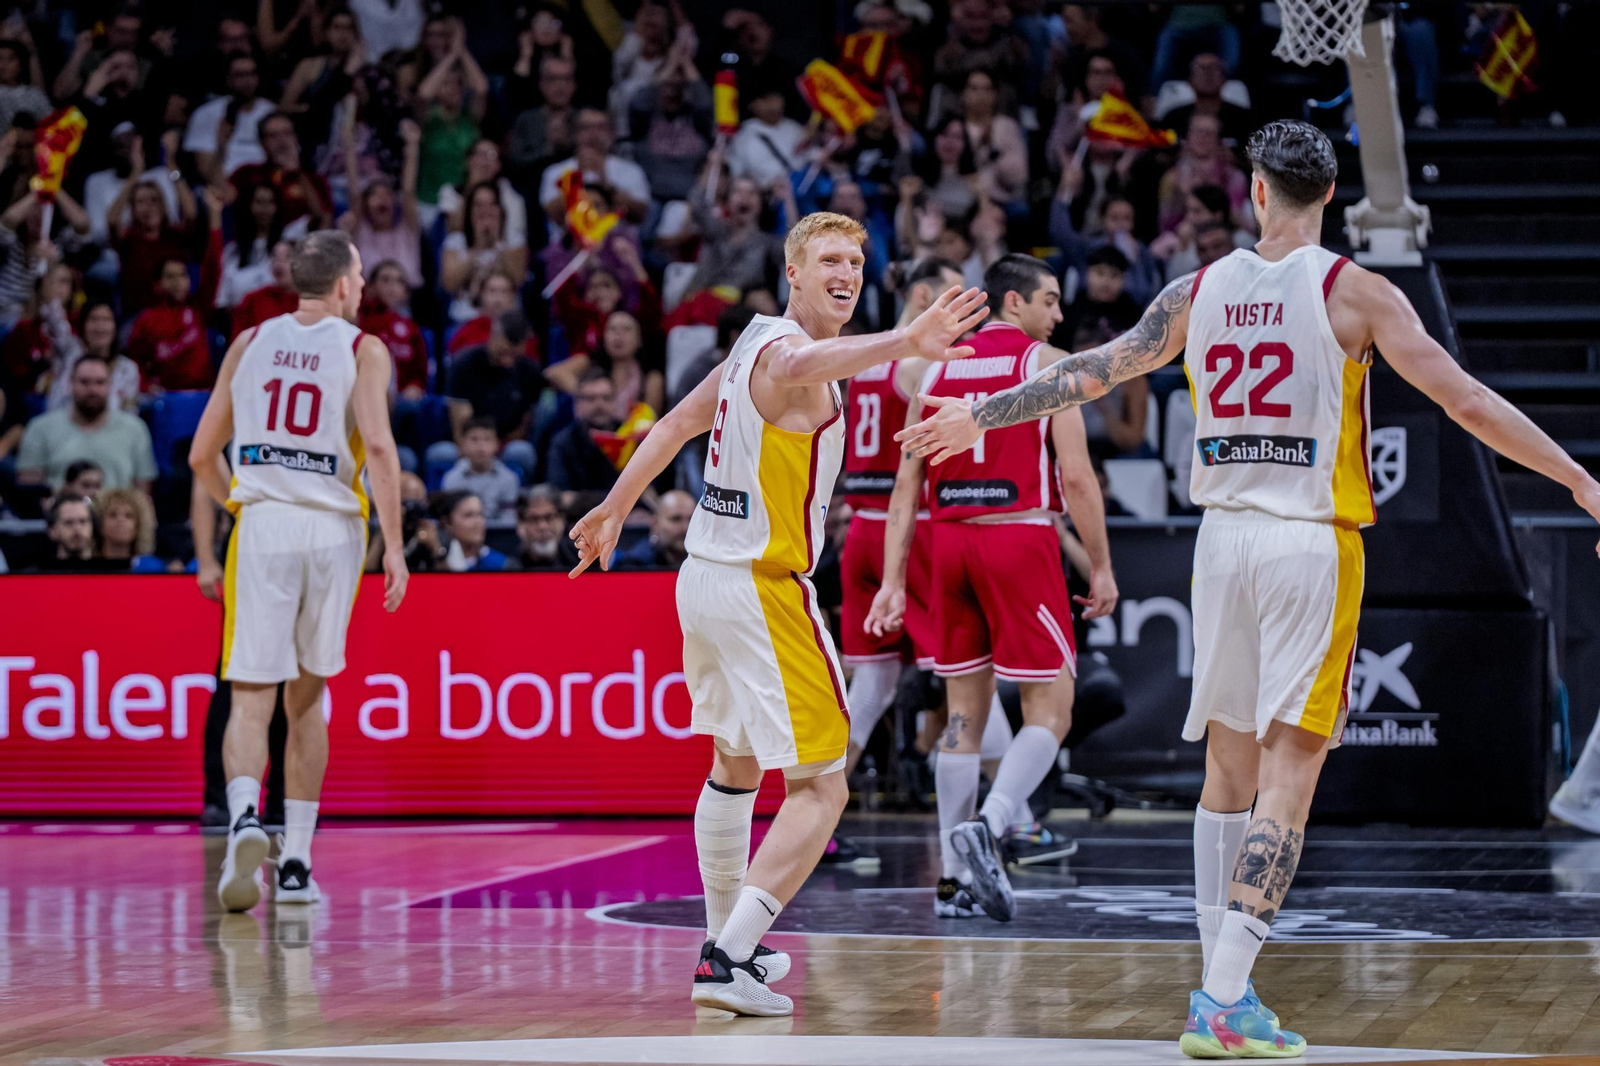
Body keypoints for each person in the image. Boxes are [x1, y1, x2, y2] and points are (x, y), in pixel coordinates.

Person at [896, 119, 1600, 1058]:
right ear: (1331, 197)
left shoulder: (1200, 287)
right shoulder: (1357, 293)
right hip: (1308, 543)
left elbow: (1092, 373)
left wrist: (977, 411)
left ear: (1256, 194)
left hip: (1220, 543)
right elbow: (1466, 402)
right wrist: (1583, 484)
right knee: (1290, 774)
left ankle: (1221, 987)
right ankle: (1223, 996)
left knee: (1225, 772)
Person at [568, 210, 987, 1017]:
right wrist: (905, 340)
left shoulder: (745, 343)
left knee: (732, 763)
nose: (848, 271)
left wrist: (616, 507)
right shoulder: (786, 351)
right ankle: (726, 958)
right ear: (792, 273)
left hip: (703, 579)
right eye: (830, 258)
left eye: (857, 261)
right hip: (762, 586)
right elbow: (808, 360)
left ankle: (726, 939)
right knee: (823, 789)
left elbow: (677, 423)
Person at [867, 253, 1117, 925]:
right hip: (1017, 538)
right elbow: (1078, 477)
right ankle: (996, 821)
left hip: (946, 544)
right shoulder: (1047, 365)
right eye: (1050, 300)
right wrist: (1100, 565)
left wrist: (894, 580)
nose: (1058, 314)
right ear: (1015, 302)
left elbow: (905, 490)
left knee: (961, 719)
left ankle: (952, 881)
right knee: (1051, 710)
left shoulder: (933, 368)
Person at [187, 229, 408, 913]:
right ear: (343, 284)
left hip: (262, 523)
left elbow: (200, 455)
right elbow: (376, 444)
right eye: (363, 277)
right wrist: (394, 546)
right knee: (307, 697)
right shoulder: (362, 348)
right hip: (332, 530)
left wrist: (246, 501)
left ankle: (247, 817)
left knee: (250, 696)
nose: (365, 288)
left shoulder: (249, 344)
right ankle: (296, 865)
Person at [832, 258, 965, 864]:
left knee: (876, 680)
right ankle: (1000, 815)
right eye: (954, 294)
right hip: (906, 531)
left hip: (858, 526)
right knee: (967, 673)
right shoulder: (921, 362)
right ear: (921, 294)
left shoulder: (865, 357)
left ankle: (818, 810)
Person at [126, 191, 225, 392]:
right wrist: (146, 387)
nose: (178, 282)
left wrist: (215, 218)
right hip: (167, 399)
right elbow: (133, 363)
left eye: (182, 276)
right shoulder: (146, 321)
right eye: (170, 277)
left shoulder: (199, 308)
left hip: (203, 395)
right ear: (157, 285)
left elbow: (213, 267)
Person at [17, 356, 156, 492]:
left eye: (100, 382)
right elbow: (30, 492)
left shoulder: (135, 429)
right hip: (59, 513)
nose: (92, 390)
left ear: (110, 385)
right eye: (84, 382)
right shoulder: (40, 428)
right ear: (70, 383)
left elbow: (143, 494)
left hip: (115, 513)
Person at [440, 309, 543, 476]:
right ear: (493, 336)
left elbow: (524, 425)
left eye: (514, 353)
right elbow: (462, 426)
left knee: (522, 451)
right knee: (442, 454)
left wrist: (497, 447)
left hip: (507, 442)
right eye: (504, 352)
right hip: (470, 442)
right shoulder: (464, 364)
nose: (508, 359)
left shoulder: (529, 370)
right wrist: (482, 450)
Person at [545, 369, 623, 495]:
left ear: (615, 402)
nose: (599, 404)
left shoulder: (631, 437)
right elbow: (561, 497)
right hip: (579, 515)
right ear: (577, 404)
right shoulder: (563, 442)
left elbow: (646, 494)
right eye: (590, 399)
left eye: (606, 398)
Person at [442, 416, 520, 523]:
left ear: (496, 444)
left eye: (487, 439)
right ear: (463, 444)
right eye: (474, 439)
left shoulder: (509, 479)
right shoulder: (451, 478)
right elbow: (451, 520)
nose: (481, 446)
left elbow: (509, 520)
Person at [234, 241, 302, 338]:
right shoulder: (252, 300)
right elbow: (238, 341)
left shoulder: (311, 302)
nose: (279, 263)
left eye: (287, 257)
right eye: (274, 256)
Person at [614, 489, 694, 570]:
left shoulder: (703, 561)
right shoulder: (635, 564)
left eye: (691, 519)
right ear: (655, 523)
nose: (685, 527)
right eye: (675, 519)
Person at [96, 486, 166, 571]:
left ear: (138, 526)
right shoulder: (87, 565)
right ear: (99, 523)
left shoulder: (153, 568)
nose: (120, 520)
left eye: (129, 516)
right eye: (112, 514)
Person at [435, 489, 508, 571]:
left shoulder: (501, 564)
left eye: (481, 514)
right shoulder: (436, 562)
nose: (478, 522)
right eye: (468, 515)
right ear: (447, 523)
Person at [513, 484, 580, 571]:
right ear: (521, 524)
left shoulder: (580, 558)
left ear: (561, 519)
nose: (543, 526)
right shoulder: (508, 565)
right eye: (533, 519)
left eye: (549, 517)